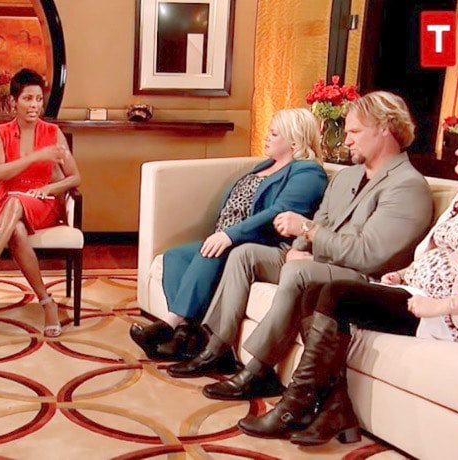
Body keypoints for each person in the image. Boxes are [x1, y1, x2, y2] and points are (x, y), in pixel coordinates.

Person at [238, 112, 458, 446]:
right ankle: (334, 408)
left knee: (336, 295)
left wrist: (440, 306)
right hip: (413, 292)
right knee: (314, 292)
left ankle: (295, 406)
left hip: (448, 317)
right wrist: (405, 273)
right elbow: (433, 250)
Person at [169, 91, 434, 398]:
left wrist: (308, 232)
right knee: (245, 254)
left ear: (384, 129)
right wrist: (298, 247)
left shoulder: (407, 186)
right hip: (320, 260)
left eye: (354, 132)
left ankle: (259, 371)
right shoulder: (347, 176)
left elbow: (369, 255)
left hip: (362, 277)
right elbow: (321, 219)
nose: (346, 140)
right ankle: (217, 347)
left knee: (298, 273)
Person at [130, 108, 328, 361]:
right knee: (175, 256)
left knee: (210, 252)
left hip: (256, 241)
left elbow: (279, 211)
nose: (266, 136)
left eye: (274, 133)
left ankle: (167, 327)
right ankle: (186, 334)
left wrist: (230, 236)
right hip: (228, 235)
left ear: (294, 140)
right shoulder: (266, 165)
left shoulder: (308, 172)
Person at [0, 68, 82, 337]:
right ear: (14, 101)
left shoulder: (53, 132)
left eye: (38, 99)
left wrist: (49, 187)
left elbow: (75, 177)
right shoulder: (0, 133)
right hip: (5, 201)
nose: (34, 105)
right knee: (16, 227)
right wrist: (36, 157)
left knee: (15, 204)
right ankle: (47, 303)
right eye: (27, 99)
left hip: (41, 202)